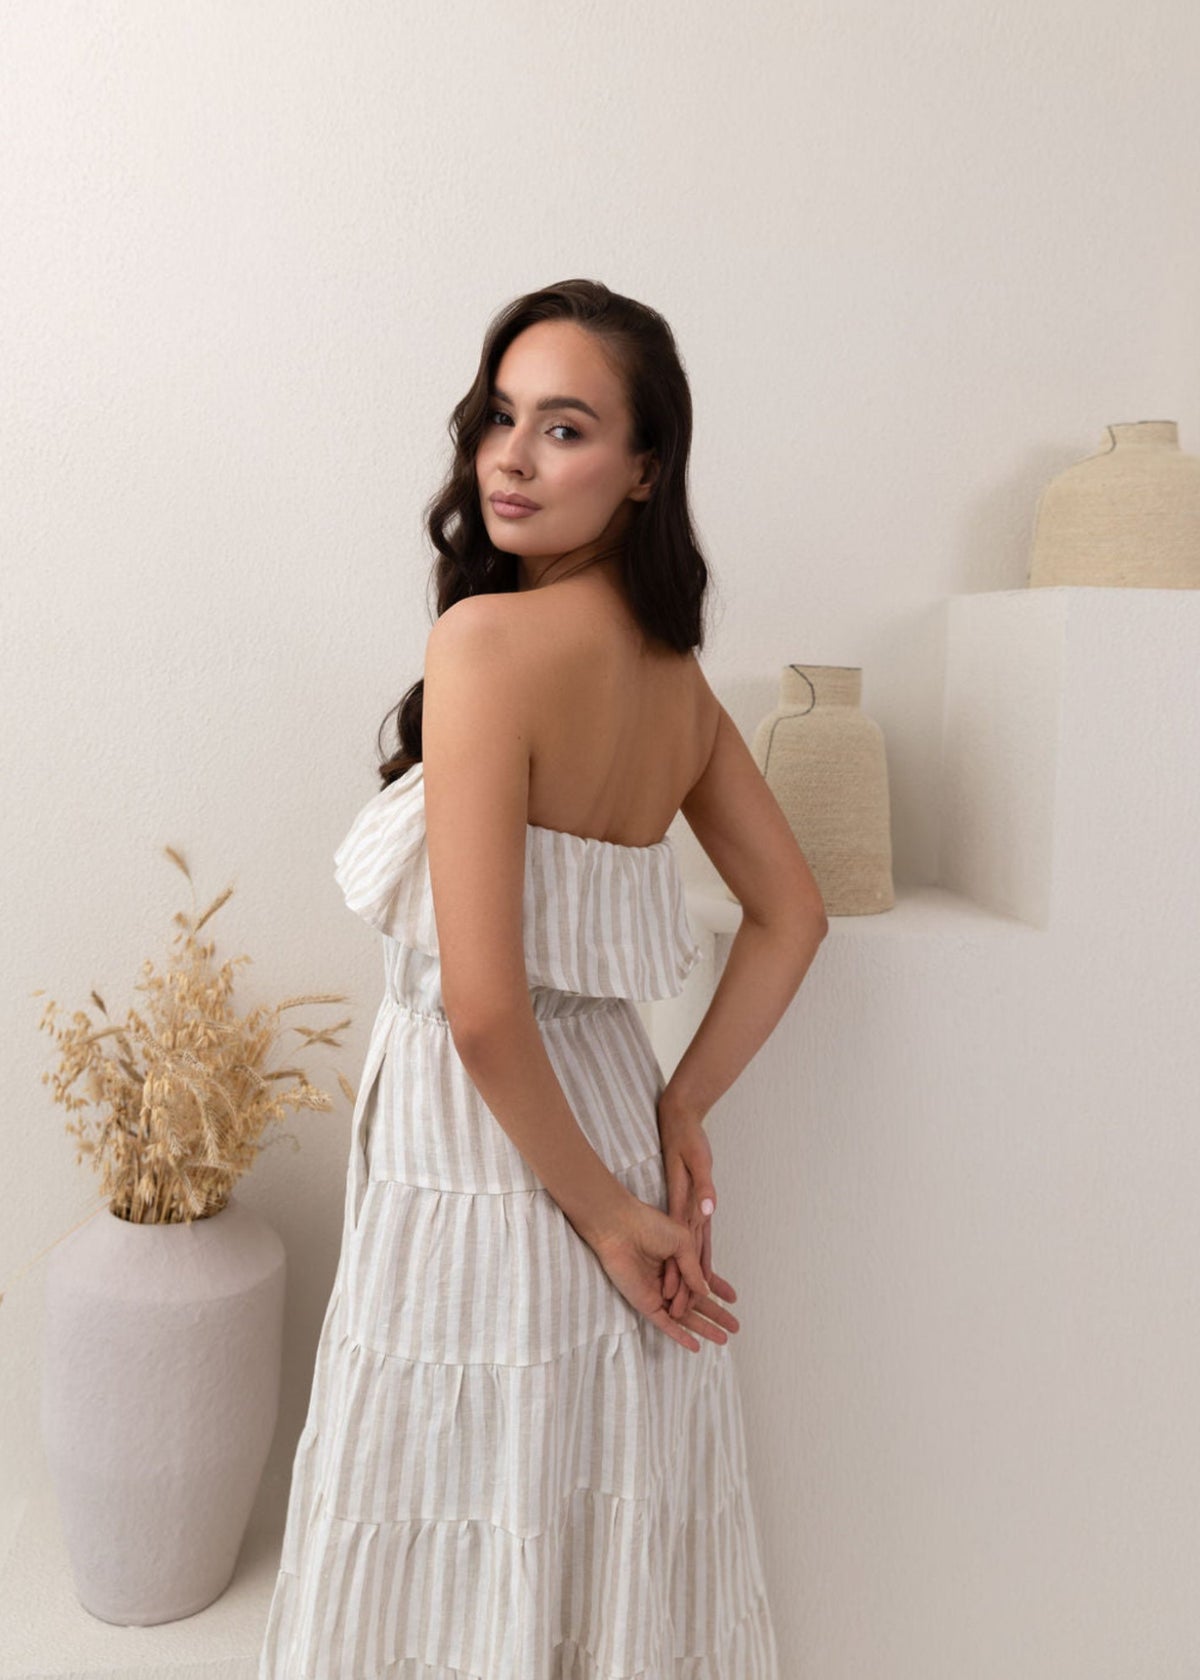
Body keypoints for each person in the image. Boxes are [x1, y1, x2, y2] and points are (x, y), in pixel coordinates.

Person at [259, 278, 827, 1679]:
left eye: (563, 427)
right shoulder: (679, 686)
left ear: (645, 471)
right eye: (500, 418)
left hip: (490, 1132)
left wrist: (613, 1215)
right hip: (602, 1112)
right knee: (582, 1487)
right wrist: (675, 1113)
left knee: (457, 1487)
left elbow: (481, 1007)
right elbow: (793, 916)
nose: (509, 457)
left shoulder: (483, 647)